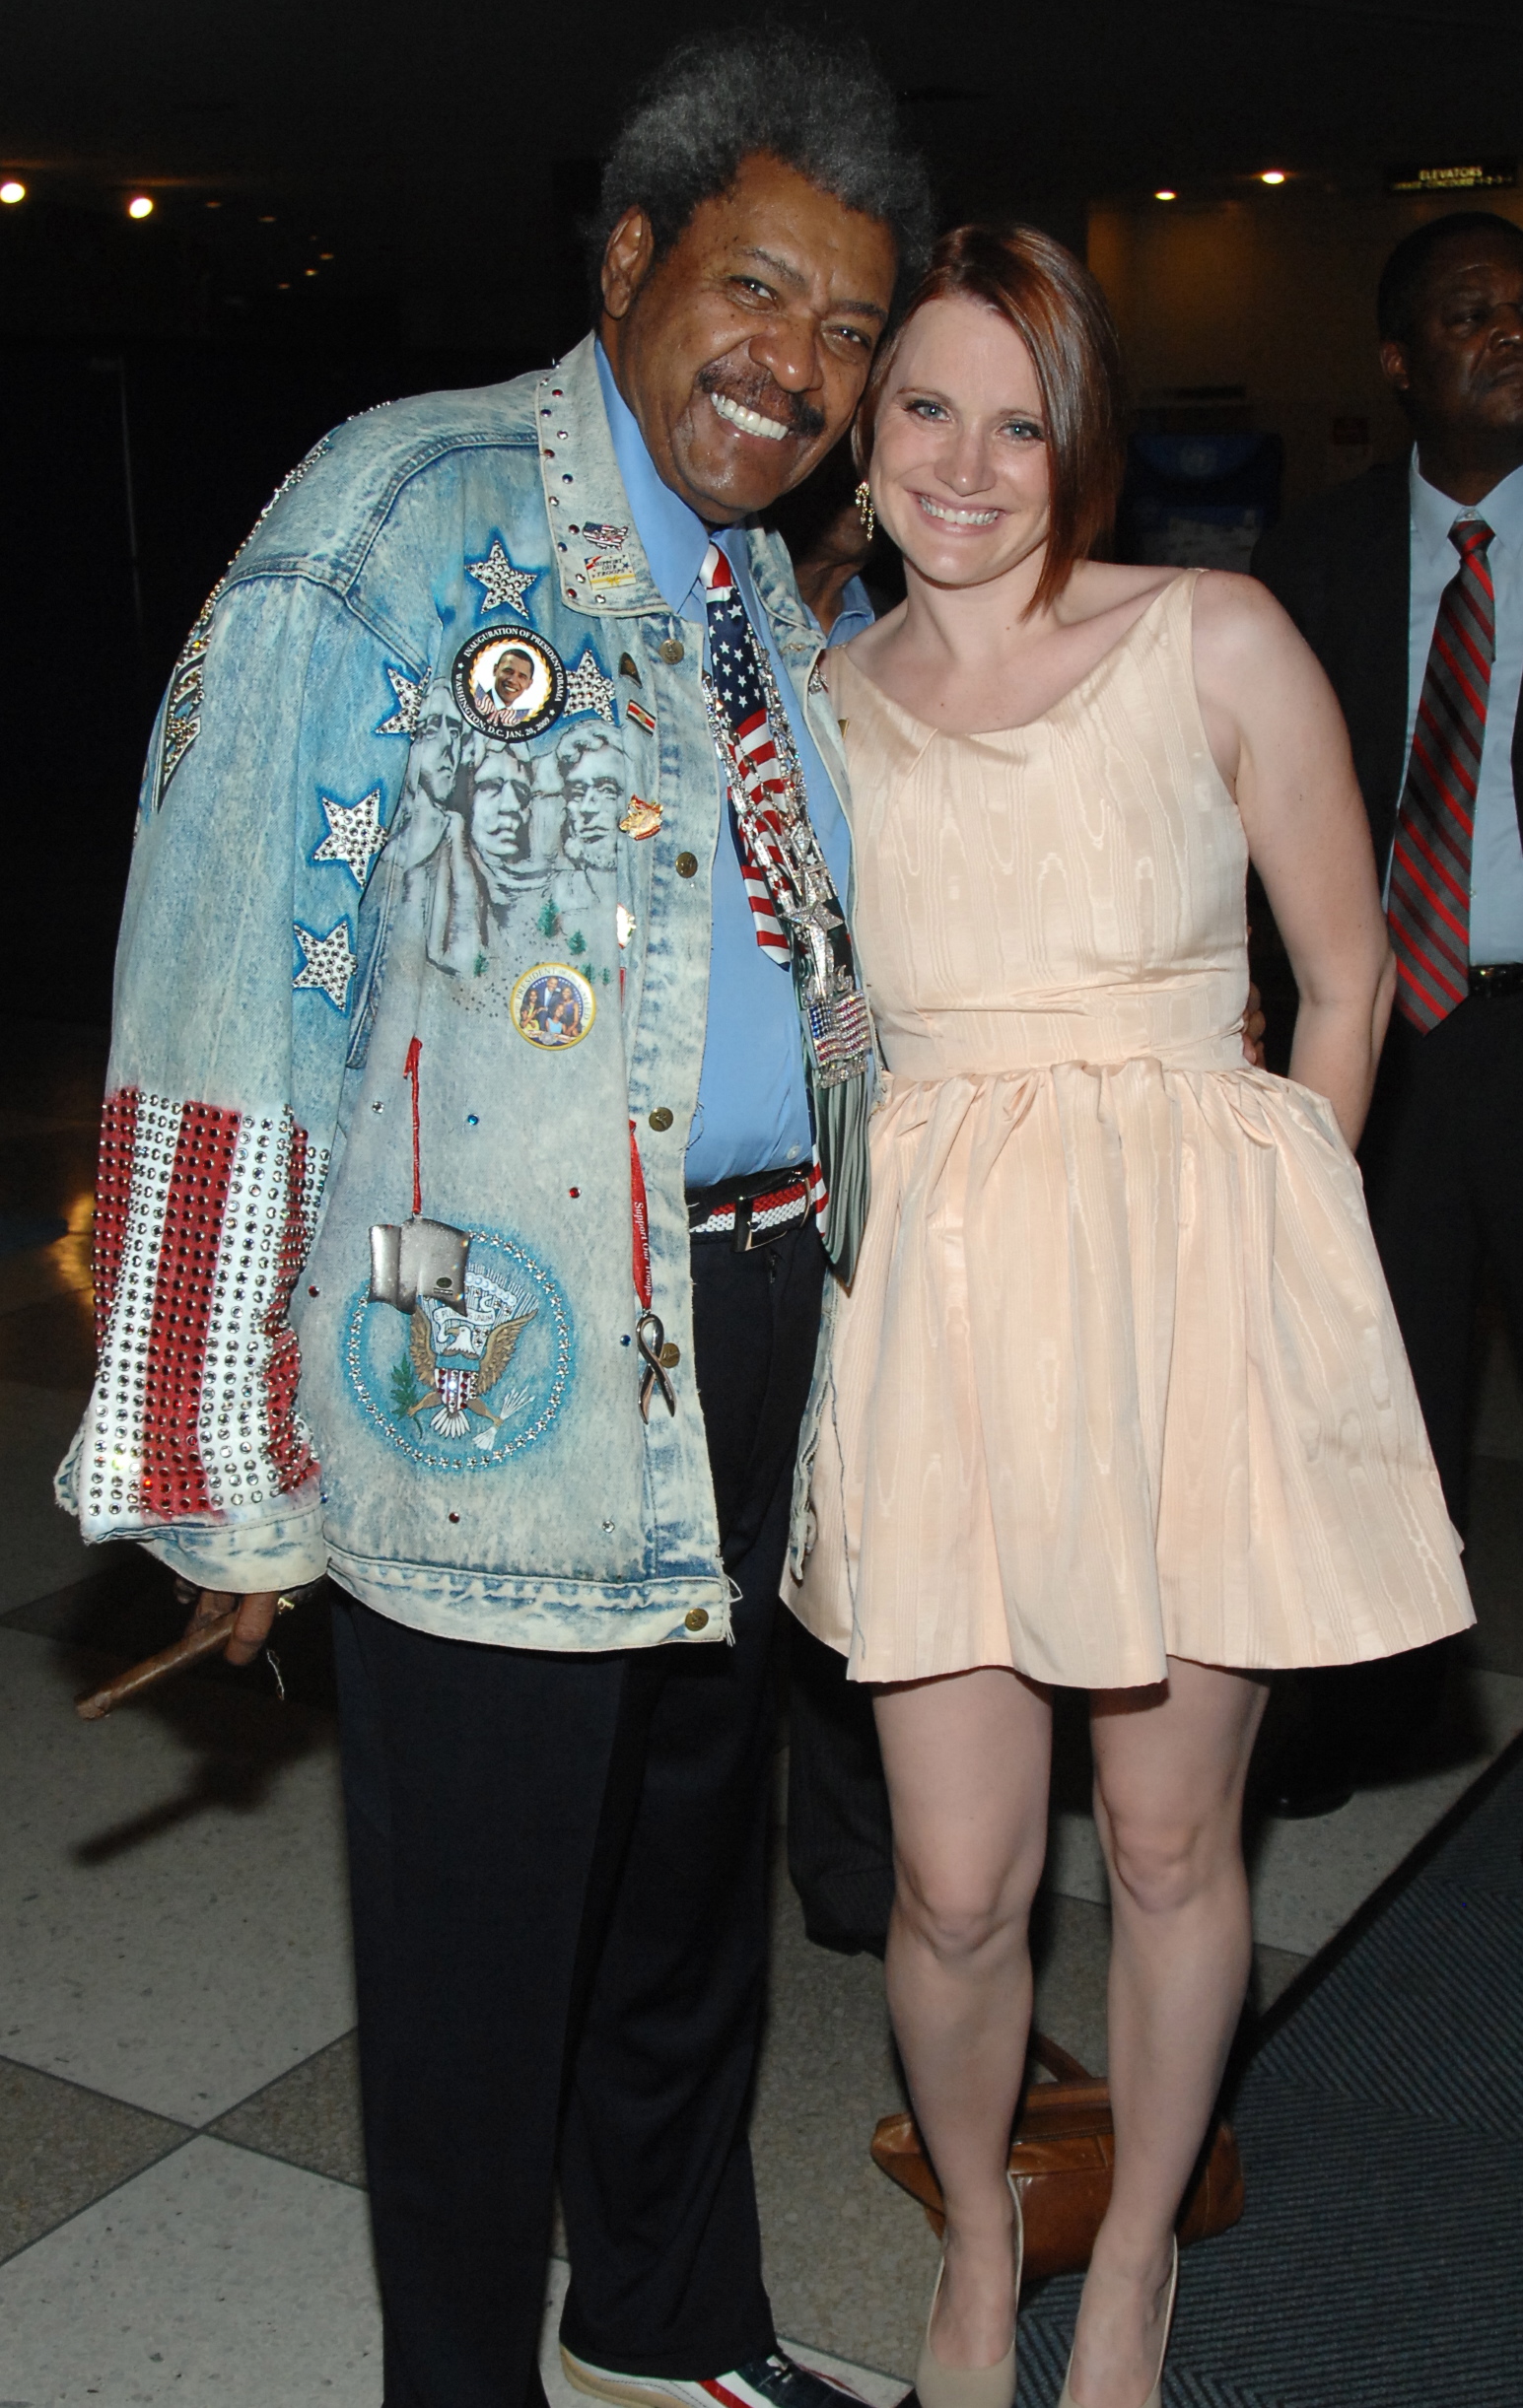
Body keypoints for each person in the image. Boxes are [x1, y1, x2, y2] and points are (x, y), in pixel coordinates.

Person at [62, 33, 931, 2408]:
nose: (799, 368)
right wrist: (212, 1448)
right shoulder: (398, 510)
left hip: (752, 1315)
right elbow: (220, 985)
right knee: (474, 1948)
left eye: (851, 330)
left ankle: (671, 2299)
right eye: (756, 291)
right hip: (490, 1376)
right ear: (629, 261)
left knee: (683, 1894)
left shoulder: (762, 576)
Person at [785, 225, 1472, 2408]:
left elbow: (1346, 976)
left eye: (1018, 415)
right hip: (946, 1318)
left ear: (1075, 436)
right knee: (958, 1876)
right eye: (925, 408)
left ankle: (1145, 2259)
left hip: (1187, 1302)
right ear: (861, 430)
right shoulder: (806, 703)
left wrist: (1279, 1248)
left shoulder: (1213, 635)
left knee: (1174, 1842)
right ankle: (983, 2241)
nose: (969, 463)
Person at [1253, 211, 1523, 1814]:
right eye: (1470, 312)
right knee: (1376, 1399)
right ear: (1396, 361)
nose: (1506, 332)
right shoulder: (1315, 560)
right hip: (1389, 1042)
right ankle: (1353, 1722)